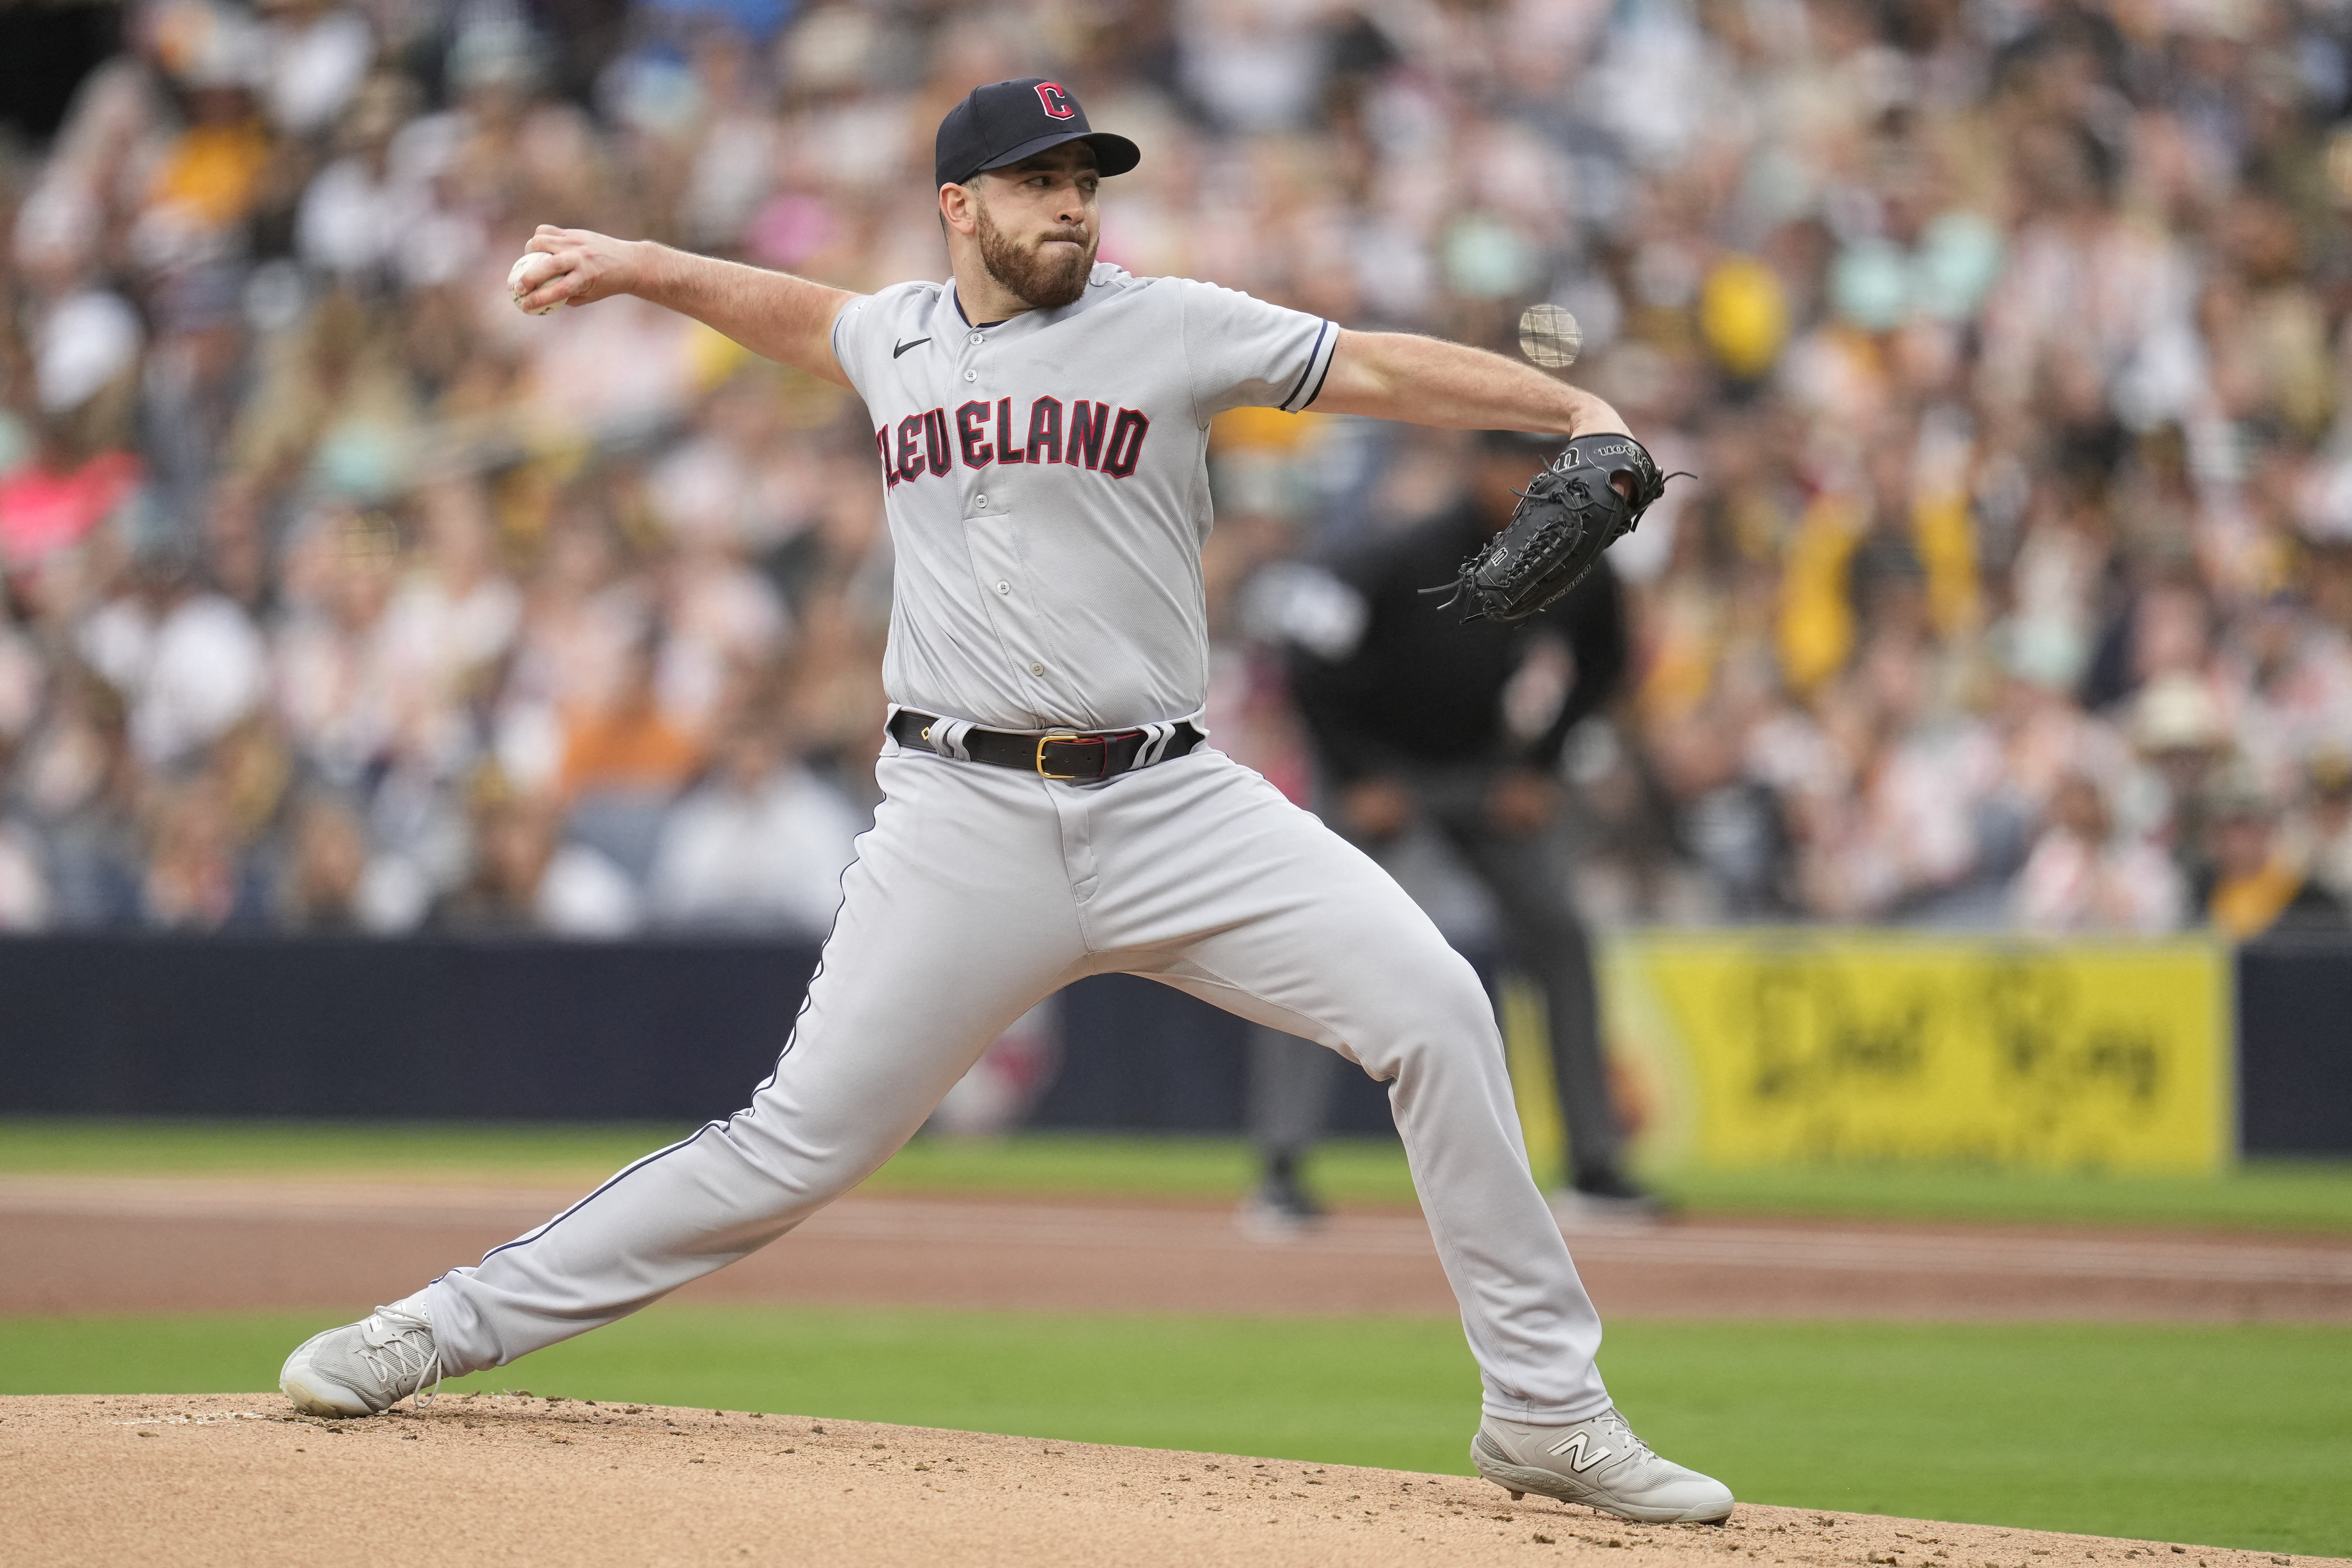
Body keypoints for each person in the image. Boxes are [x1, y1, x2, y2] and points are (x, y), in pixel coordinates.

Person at [276, 78, 1732, 1525]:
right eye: (1040, 182)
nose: (1073, 206)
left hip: (1172, 800)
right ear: (958, 206)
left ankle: (1547, 1409)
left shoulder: (1168, 324)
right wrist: (643, 265)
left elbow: (1384, 370)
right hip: (958, 818)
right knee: (794, 1145)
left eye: (1086, 181)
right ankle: (442, 1325)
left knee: (1436, 1007)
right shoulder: (892, 333)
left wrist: (1575, 407)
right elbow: (795, 313)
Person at [1248, 427, 1651, 1229]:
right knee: (1312, 944)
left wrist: (1537, 766)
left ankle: (1593, 1162)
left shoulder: (1571, 559)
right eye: (1515, 465)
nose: (1527, 483)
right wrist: (1358, 776)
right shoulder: (1397, 553)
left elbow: (1606, 660)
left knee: (1560, 933)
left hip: (1478, 774)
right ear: (1478, 466)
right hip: (1375, 770)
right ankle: (1281, 1167)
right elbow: (1304, 664)